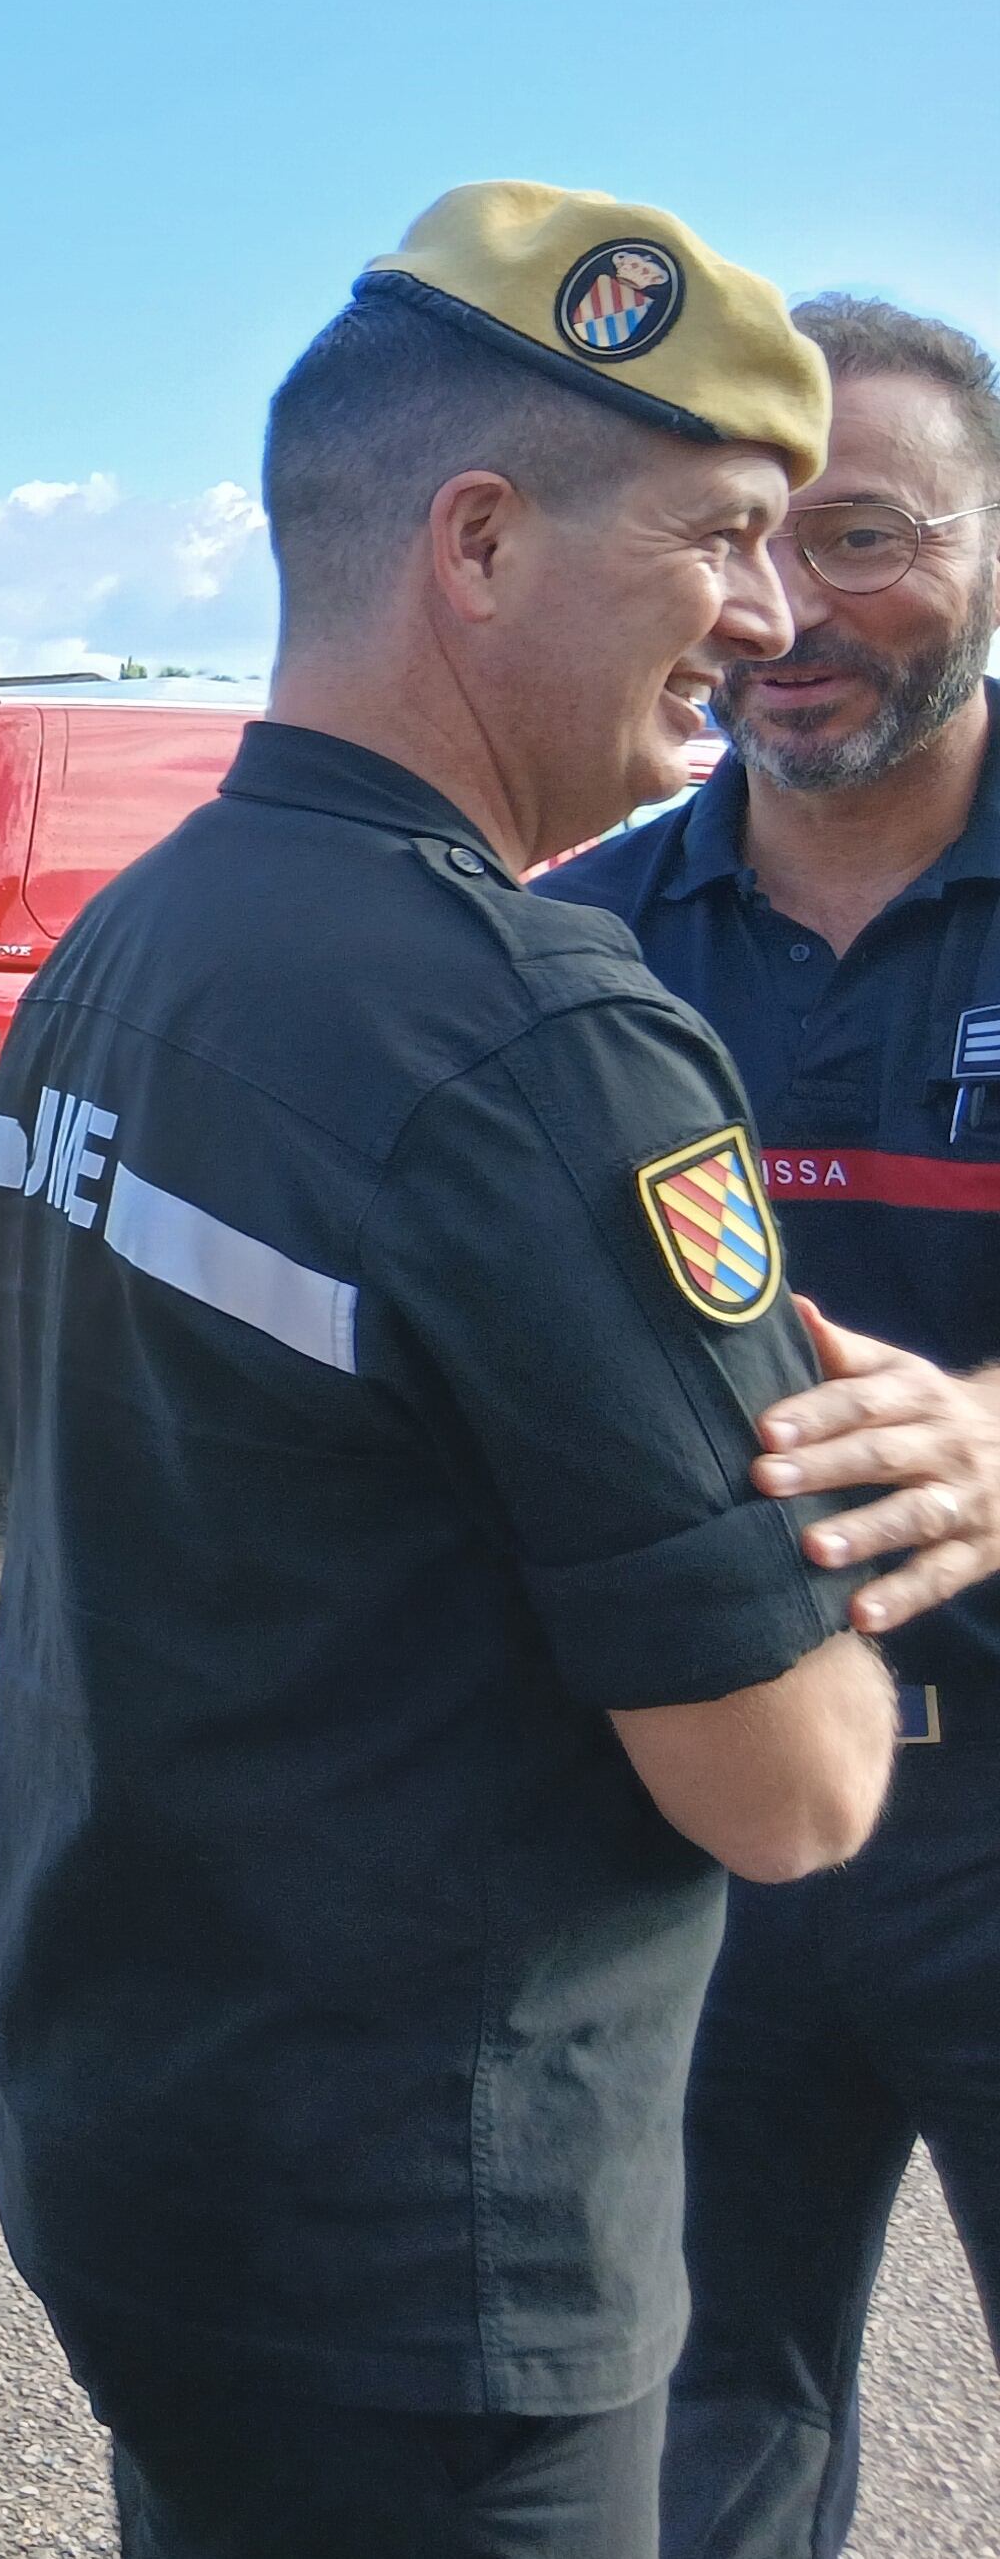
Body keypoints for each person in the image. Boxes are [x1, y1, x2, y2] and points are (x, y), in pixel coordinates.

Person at [0, 184, 925, 2559]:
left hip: (161, 2164)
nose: (765, 612)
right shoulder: (541, 1045)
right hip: (431, 2278)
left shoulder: (128, 947)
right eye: (716, 535)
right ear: (478, 544)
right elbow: (792, 1786)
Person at [541, 295, 1000, 2558]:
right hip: (687, 1831)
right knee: (697, 2451)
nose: (795, 612)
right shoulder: (572, 943)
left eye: (873, 535)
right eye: (748, 540)